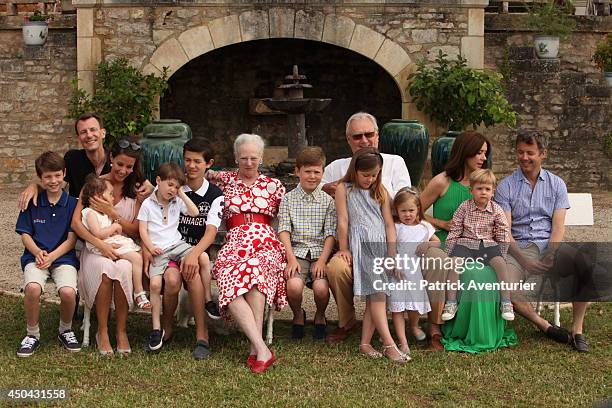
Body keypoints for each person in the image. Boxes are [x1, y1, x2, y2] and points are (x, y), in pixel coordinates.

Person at [418, 130, 516, 352]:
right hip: (448, 244)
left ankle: (487, 331)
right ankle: (449, 327)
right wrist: (441, 223)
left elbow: (495, 220)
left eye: (485, 153)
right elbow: (414, 213)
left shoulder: (485, 183)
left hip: (481, 246)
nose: (483, 158)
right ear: (465, 152)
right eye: (478, 153)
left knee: (488, 273)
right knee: (470, 273)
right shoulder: (442, 181)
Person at [495, 130, 589, 352]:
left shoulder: (557, 184)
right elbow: (505, 230)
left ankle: (577, 330)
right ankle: (545, 326)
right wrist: (524, 260)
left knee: (584, 265)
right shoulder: (505, 186)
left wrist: (551, 253)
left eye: (530, 153)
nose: (524, 157)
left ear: (543, 153)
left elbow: (558, 226)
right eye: (520, 152)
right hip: (518, 249)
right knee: (506, 286)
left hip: (549, 246)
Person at [322, 112, 412, 345]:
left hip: (388, 237)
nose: (364, 140)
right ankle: (347, 321)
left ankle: (404, 325)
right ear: (348, 140)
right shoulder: (336, 168)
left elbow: (405, 204)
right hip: (353, 241)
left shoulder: (395, 162)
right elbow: (322, 195)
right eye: (357, 136)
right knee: (337, 268)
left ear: (378, 136)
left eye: (369, 134)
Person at [206, 133, 286, 374]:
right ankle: (260, 347)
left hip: (265, 241)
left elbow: (287, 218)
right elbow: (198, 173)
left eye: (253, 158)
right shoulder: (225, 181)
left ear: (261, 158)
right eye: (243, 158)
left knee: (256, 273)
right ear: (236, 158)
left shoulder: (274, 185)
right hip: (234, 241)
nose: (249, 163)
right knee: (228, 277)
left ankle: (257, 347)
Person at [71, 140, 146, 355]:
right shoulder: (95, 185)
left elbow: (133, 230)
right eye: (120, 164)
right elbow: (77, 222)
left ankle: (121, 331)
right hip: (96, 248)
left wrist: (114, 215)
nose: (124, 170)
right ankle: (102, 331)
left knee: (123, 268)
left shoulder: (137, 189)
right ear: (111, 158)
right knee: (105, 269)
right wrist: (99, 244)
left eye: (129, 166)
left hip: (123, 246)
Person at [336, 147, 408, 363]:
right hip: (363, 245)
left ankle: (365, 343)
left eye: (374, 175)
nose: (370, 179)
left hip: (382, 246)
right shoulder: (344, 189)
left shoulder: (381, 191)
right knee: (377, 295)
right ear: (355, 170)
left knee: (377, 297)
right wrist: (344, 248)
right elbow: (343, 222)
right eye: (365, 175)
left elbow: (388, 224)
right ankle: (389, 344)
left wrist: (392, 254)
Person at [153, 139, 220, 360]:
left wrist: (192, 254)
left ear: (208, 164)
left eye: (197, 161)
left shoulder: (215, 195)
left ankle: (202, 335)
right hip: (170, 249)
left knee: (193, 271)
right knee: (172, 280)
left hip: (196, 250)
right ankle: (167, 327)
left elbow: (210, 232)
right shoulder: (172, 186)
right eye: (188, 160)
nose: (191, 165)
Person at [18, 113, 153, 220]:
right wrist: (34, 185)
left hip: (109, 223)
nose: (89, 135)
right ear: (79, 138)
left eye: (93, 130)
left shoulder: (118, 162)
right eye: (83, 132)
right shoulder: (72, 158)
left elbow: (144, 183)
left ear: (103, 133)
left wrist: (149, 187)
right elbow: (55, 179)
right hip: (82, 221)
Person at [15, 151, 81, 357]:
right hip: (35, 257)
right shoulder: (32, 202)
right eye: (48, 177)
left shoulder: (73, 203)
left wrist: (52, 257)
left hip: (63, 258)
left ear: (64, 174)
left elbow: (72, 240)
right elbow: (25, 234)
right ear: (40, 178)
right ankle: (32, 334)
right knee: (33, 288)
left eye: (57, 175)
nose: (53, 181)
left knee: (69, 292)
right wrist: (37, 252)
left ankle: (65, 330)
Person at [137, 162, 199, 352]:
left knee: (201, 258)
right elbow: (143, 230)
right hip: (159, 250)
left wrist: (181, 194)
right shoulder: (148, 204)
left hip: (177, 245)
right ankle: (156, 328)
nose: (173, 190)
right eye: (170, 185)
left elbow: (195, 212)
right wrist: (150, 247)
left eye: (177, 186)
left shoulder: (177, 200)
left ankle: (207, 302)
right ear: (158, 181)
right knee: (155, 285)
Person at [278, 147, 335, 341]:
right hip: (298, 253)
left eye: (316, 172)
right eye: (307, 171)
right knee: (293, 286)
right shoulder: (287, 199)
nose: (312, 176)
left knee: (320, 288)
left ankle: (320, 315)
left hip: (321, 253)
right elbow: (284, 230)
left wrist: (322, 261)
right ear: (297, 171)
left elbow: (330, 234)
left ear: (322, 172)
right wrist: (290, 258)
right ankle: (298, 315)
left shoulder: (329, 201)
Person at [441, 169, 514, 322]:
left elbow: (502, 231)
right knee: (454, 264)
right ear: (471, 190)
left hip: (487, 244)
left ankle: (506, 302)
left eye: (487, 189)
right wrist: (448, 252)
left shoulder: (496, 210)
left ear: (493, 191)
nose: (483, 192)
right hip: (465, 243)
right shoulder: (464, 207)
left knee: (501, 264)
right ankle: (451, 302)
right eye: (479, 189)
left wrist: (502, 252)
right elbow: (455, 229)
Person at [79, 175, 147, 309]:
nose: (113, 198)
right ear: (99, 197)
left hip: (112, 241)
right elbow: (97, 233)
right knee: (136, 258)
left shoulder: (104, 213)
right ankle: (139, 292)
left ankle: (141, 289)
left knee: (140, 253)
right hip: (103, 246)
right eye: (110, 194)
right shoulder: (90, 213)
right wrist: (114, 227)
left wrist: (114, 225)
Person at [388, 187, 435, 356]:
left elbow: (436, 242)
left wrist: (427, 244)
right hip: (398, 270)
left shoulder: (424, 227)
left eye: (411, 210)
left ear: (418, 210)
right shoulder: (396, 226)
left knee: (414, 304)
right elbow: (391, 246)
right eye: (403, 211)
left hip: (415, 271)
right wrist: (394, 263)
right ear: (396, 211)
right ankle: (403, 341)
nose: (407, 214)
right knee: (398, 307)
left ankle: (414, 326)